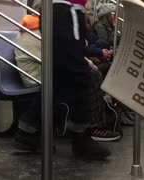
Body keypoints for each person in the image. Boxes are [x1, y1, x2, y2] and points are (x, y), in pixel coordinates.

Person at [14, 0, 122, 160]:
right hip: (64, 8)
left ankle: (28, 130)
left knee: (58, 77)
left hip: (66, 8)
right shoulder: (63, 12)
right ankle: (81, 136)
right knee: (78, 73)